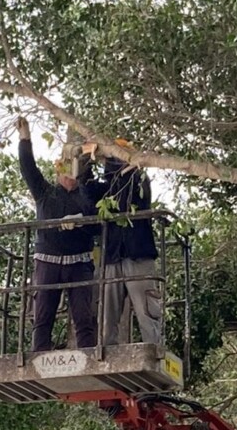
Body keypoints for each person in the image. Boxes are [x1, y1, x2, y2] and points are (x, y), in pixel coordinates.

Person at [17, 117, 98, 353]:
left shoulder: (86, 194)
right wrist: (25, 139)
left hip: (79, 263)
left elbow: (97, 225)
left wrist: (82, 222)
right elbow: (28, 168)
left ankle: (88, 359)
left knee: (84, 319)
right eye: (64, 168)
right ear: (58, 170)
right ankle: (38, 357)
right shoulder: (45, 192)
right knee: (42, 317)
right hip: (47, 263)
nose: (68, 174)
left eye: (72, 168)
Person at [89, 153, 163, 348]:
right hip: (112, 258)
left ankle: (155, 350)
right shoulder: (106, 191)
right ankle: (105, 353)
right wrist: (86, 160)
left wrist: (126, 166)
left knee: (146, 311)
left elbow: (129, 195)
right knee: (107, 316)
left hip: (138, 256)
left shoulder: (139, 181)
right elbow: (86, 188)